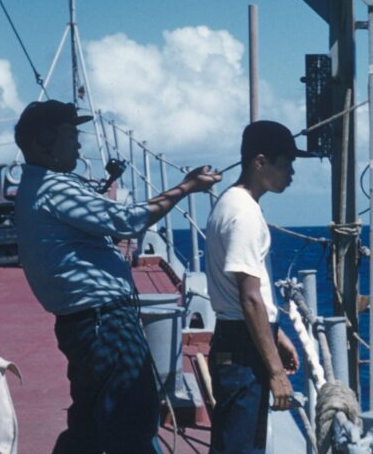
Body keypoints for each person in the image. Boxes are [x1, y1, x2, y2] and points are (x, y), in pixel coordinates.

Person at [13, 100, 221, 454]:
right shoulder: (55, 188)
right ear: (43, 140)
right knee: (134, 421)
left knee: (89, 427)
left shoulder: (37, 187)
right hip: (105, 324)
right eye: (70, 135)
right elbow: (126, 221)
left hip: (86, 324)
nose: (79, 144)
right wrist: (185, 188)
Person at [204, 120, 309, 454]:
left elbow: (249, 295)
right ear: (260, 162)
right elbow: (248, 298)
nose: (291, 173)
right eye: (286, 163)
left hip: (237, 340)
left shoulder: (231, 203)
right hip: (242, 350)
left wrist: (277, 335)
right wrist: (276, 372)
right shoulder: (244, 215)